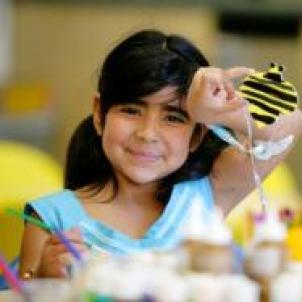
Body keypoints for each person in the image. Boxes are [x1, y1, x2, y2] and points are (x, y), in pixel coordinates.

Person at [18, 29, 302, 279]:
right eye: (131, 111)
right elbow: (25, 288)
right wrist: (44, 277)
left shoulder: (209, 193)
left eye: (174, 118)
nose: (147, 133)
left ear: (198, 134)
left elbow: (290, 125)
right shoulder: (51, 216)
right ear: (99, 113)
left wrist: (222, 112)